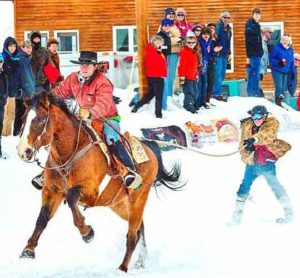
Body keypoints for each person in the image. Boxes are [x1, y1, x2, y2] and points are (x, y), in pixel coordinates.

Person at [52, 51, 142, 190]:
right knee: (65, 136)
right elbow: (60, 92)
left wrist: (90, 113)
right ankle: (49, 171)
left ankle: (129, 171)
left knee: (111, 137)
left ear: (95, 66)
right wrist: (48, 99)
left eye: (88, 65)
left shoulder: (103, 82)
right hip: (82, 117)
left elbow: (103, 105)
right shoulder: (73, 78)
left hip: (107, 118)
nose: (84, 67)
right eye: (82, 64)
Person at [232, 105, 293, 224]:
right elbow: (242, 143)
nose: (256, 119)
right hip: (253, 162)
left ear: (264, 116)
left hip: (266, 162)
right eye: (254, 116)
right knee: (244, 185)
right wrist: (247, 149)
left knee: (275, 185)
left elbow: (267, 135)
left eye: (259, 116)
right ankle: (237, 215)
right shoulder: (248, 126)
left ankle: (288, 211)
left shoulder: (271, 124)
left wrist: (254, 140)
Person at [131, 35, 166, 118]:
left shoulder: (157, 50)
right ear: (153, 42)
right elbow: (154, 62)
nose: (159, 43)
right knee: (159, 96)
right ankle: (158, 114)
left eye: (160, 42)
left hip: (155, 75)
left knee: (150, 94)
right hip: (156, 76)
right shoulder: (151, 50)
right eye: (157, 42)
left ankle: (137, 105)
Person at [15, 40, 36, 135]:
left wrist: (55, 77)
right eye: (27, 47)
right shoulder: (23, 59)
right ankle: (19, 132)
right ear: (22, 47)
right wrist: (32, 92)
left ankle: (17, 132)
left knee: (20, 112)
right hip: (26, 91)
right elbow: (26, 77)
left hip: (25, 89)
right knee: (23, 113)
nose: (29, 49)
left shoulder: (26, 57)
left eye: (30, 47)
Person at [269, 34, 295, 107]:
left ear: (289, 41)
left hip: (285, 71)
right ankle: (277, 103)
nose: (285, 41)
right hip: (277, 70)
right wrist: (279, 62)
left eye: (287, 40)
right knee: (279, 87)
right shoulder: (277, 48)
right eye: (284, 39)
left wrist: (293, 71)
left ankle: (280, 102)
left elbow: (291, 62)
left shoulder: (290, 50)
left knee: (283, 87)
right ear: (281, 40)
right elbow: (271, 58)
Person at [1, 37, 20, 136]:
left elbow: (17, 76)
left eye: (14, 46)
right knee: (4, 115)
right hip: (3, 92)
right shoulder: (2, 57)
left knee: (11, 115)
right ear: (6, 46)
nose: (12, 48)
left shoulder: (16, 58)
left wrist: (18, 88)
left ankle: (6, 136)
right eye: (10, 46)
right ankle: (2, 136)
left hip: (12, 92)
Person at [178, 30, 200, 114]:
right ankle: (188, 105)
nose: (191, 44)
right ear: (186, 43)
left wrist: (196, 74)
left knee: (195, 91)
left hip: (193, 75)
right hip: (186, 76)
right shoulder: (184, 52)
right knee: (189, 91)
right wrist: (182, 76)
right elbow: (181, 65)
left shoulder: (194, 52)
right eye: (189, 42)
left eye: (193, 42)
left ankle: (192, 104)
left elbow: (195, 65)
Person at [213, 10, 232, 101]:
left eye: (228, 18)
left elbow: (228, 43)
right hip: (218, 54)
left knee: (222, 74)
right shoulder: (218, 27)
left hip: (225, 54)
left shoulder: (229, 29)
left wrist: (229, 53)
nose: (226, 19)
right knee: (218, 74)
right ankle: (215, 94)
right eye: (225, 17)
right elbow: (214, 39)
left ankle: (217, 92)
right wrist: (217, 47)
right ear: (220, 18)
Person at [245, 8, 263, 97]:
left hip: (257, 53)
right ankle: (253, 92)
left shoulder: (257, 25)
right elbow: (250, 37)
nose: (257, 16)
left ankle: (253, 92)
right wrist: (258, 38)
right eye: (255, 14)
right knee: (254, 73)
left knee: (254, 72)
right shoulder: (250, 23)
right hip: (253, 53)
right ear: (252, 15)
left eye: (258, 14)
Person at [157, 18, 172, 110]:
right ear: (162, 26)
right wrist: (164, 47)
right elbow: (157, 47)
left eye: (169, 25)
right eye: (165, 25)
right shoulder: (159, 36)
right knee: (163, 84)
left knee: (165, 82)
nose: (167, 27)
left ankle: (164, 104)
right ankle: (162, 106)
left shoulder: (167, 36)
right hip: (160, 62)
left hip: (166, 60)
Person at [259, 26, 273, 97]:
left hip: (261, 69)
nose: (271, 34)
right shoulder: (260, 42)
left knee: (258, 83)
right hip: (258, 68)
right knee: (257, 84)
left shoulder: (264, 43)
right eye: (270, 32)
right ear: (265, 33)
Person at [0, 54, 8, 158]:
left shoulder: (4, 75)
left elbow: (6, 88)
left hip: (1, 103)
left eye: (1, 61)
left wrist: (4, 98)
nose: (0, 63)